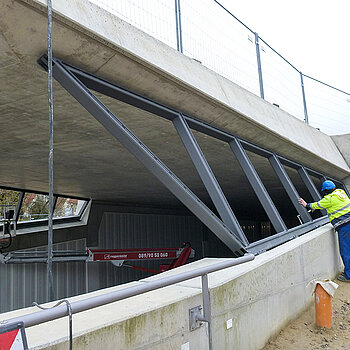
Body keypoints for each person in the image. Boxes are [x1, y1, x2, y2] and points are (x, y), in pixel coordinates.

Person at [298, 180, 350, 282]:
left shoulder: (329, 199)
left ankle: (349, 276)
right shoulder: (341, 192)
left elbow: (317, 205)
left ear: (325, 191)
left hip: (344, 228)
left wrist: (306, 204)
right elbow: (331, 204)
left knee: (346, 252)